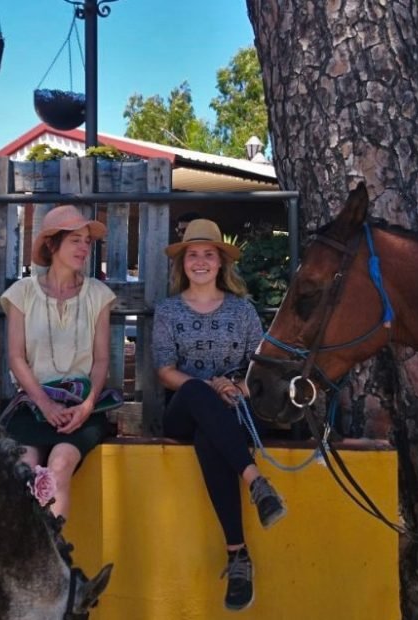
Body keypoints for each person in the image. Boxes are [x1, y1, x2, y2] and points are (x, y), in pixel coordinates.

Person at [152, 218, 285, 612]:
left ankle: (238, 556)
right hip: (184, 409)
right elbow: (164, 370)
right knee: (195, 389)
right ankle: (256, 480)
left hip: (235, 409)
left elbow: (257, 370)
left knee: (212, 437)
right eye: (193, 255)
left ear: (221, 262)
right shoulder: (168, 310)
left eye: (208, 254)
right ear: (183, 264)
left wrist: (237, 389)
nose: (200, 262)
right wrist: (214, 386)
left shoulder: (243, 311)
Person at [0, 205, 119, 519]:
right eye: (75, 240)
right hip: (33, 405)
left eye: (87, 241)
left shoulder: (98, 294)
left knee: (60, 465)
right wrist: (45, 405)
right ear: (53, 244)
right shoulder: (21, 294)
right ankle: (26, 560)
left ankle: (52, 559)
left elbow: (101, 359)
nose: (84, 248)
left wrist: (87, 406)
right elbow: (16, 357)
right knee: (23, 469)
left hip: (82, 405)